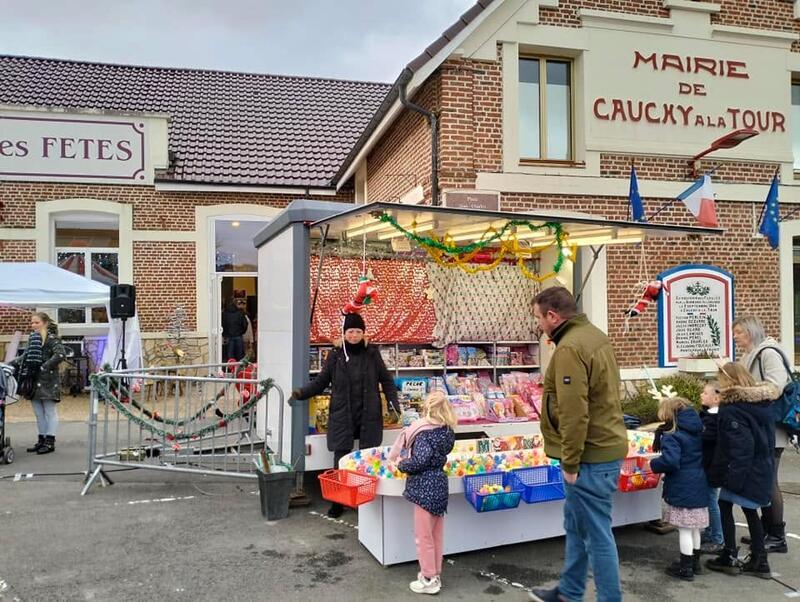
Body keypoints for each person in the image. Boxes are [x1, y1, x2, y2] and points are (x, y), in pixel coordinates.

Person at [529, 287, 628, 602]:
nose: (538, 325)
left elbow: (574, 412)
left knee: (596, 536)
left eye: (539, 318)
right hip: (601, 448)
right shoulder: (594, 336)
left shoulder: (570, 348)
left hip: (589, 457)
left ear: (553, 316)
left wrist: (570, 462)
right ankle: (569, 592)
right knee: (576, 526)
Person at [292, 312, 399, 518]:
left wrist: (394, 404)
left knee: (368, 458)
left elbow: (386, 381)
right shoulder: (336, 355)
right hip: (343, 414)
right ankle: (338, 501)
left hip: (368, 414)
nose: (354, 335)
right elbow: (321, 382)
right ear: (344, 333)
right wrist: (301, 393)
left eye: (358, 331)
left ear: (363, 333)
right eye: (350, 331)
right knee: (341, 458)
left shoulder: (372, 354)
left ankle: (365, 499)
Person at [705, 362, 778, 579]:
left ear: (729, 381)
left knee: (725, 504)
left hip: (743, 469)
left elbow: (741, 446)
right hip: (761, 466)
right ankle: (759, 558)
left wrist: (732, 478)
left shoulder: (733, 408)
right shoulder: (761, 403)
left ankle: (730, 555)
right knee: (750, 510)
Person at [733, 314, 791, 554]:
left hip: (772, 427)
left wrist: (743, 392)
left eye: (738, 332)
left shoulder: (768, 353)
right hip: (759, 426)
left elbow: (775, 387)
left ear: (751, 332)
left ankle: (777, 535)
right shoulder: (748, 355)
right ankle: (765, 531)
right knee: (762, 478)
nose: (735, 337)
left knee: (769, 480)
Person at [388, 390, 456, 595]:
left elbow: (420, 461)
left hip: (424, 489)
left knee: (423, 536)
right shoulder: (447, 432)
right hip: (440, 485)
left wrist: (401, 464)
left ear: (427, 409)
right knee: (436, 535)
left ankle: (428, 578)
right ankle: (435, 573)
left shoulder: (423, 434)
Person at [650, 396, 709, 581]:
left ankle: (685, 568)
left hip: (682, 485)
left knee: (684, 530)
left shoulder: (672, 436)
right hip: (699, 482)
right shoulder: (697, 431)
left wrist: (653, 464)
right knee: (695, 529)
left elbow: (671, 461)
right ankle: (695, 563)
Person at [11, 313, 66, 454]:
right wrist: (9, 364)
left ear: (45, 323)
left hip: (48, 380)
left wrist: (44, 366)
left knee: (49, 411)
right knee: (38, 413)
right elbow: (25, 356)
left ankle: (50, 441)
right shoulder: (33, 339)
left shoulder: (52, 339)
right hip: (33, 380)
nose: (33, 325)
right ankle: (41, 439)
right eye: (32, 323)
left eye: (36, 322)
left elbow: (60, 355)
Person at [699, 382, 725, 555]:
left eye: (705, 393)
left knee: (711, 501)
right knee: (708, 500)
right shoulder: (708, 415)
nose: (701, 395)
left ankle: (717, 538)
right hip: (708, 464)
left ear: (716, 398)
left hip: (712, 466)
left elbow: (706, 438)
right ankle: (710, 532)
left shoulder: (714, 420)